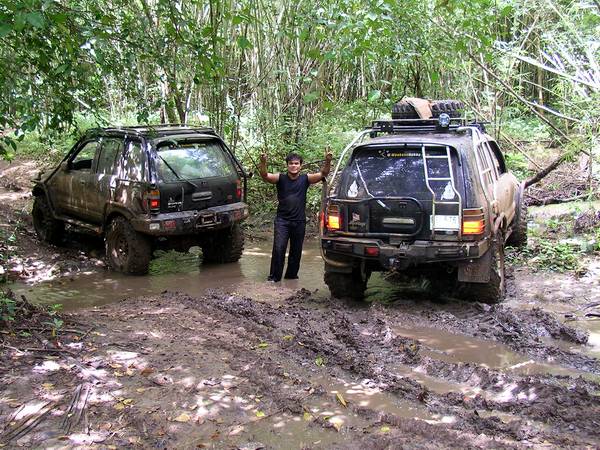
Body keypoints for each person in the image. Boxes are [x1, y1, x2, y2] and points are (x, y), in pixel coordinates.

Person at [259, 149, 333, 282]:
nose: (294, 165)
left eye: (296, 163)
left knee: (296, 251)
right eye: (291, 163)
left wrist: (328, 160)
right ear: (287, 165)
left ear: (300, 166)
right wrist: (263, 162)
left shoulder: (305, 179)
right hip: (282, 221)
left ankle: (291, 278)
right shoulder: (280, 178)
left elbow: (323, 173)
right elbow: (265, 176)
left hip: (299, 221)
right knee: (279, 249)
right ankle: (274, 278)